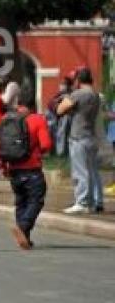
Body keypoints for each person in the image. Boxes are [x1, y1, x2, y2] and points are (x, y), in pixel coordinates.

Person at [0, 89, 53, 250]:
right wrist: (37, 153)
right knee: (36, 200)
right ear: (33, 105)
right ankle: (22, 227)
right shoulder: (37, 119)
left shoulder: (6, 119)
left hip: (14, 169)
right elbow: (46, 145)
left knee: (21, 202)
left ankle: (25, 238)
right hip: (32, 169)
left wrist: (3, 166)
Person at [57, 67, 104, 214]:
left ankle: (82, 202)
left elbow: (60, 110)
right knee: (91, 171)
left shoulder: (78, 94)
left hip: (78, 136)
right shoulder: (96, 95)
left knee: (80, 172)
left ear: (78, 80)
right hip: (91, 136)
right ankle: (93, 201)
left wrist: (65, 100)